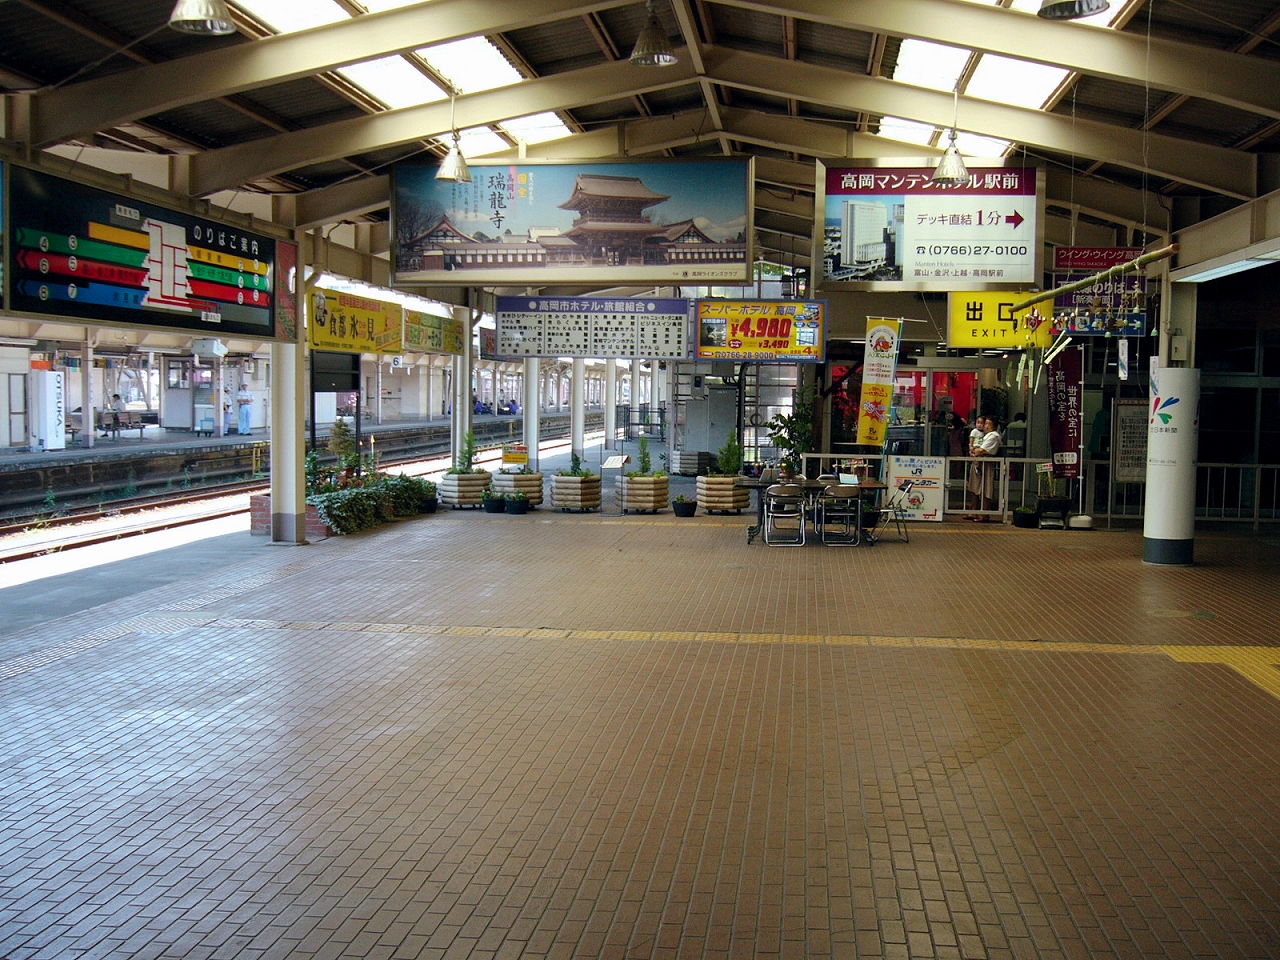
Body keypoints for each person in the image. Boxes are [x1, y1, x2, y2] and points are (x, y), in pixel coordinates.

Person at [970, 417, 1003, 521]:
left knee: (986, 488)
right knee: (974, 486)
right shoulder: (983, 434)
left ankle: (984, 514)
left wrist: (975, 452)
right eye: (986, 423)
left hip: (986, 462)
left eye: (989, 424)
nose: (986, 426)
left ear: (995, 426)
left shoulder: (993, 436)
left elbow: (981, 450)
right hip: (978, 461)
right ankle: (974, 512)